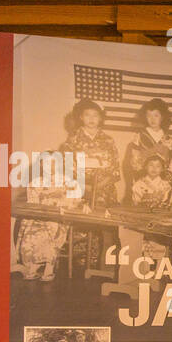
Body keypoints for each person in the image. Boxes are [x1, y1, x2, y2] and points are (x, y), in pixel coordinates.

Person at [61, 99, 122, 272]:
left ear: (101, 118)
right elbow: (67, 167)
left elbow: (115, 170)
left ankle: (104, 267)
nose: (91, 119)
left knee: (106, 230)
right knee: (80, 226)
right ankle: (79, 266)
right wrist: (85, 187)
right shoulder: (72, 140)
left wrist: (100, 186)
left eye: (95, 115)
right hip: (80, 190)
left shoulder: (109, 140)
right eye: (87, 115)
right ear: (80, 117)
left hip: (105, 191)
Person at [122, 97, 172, 196]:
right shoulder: (139, 137)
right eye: (149, 115)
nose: (152, 119)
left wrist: (165, 181)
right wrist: (144, 179)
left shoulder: (169, 140)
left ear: (162, 117)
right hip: (142, 182)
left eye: (156, 115)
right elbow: (131, 162)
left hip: (163, 184)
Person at [130, 155, 172, 262]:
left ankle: (159, 271)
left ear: (162, 169)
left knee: (160, 245)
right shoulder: (138, 184)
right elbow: (136, 203)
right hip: (143, 219)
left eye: (158, 166)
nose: (154, 168)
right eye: (151, 165)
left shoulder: (166, 185)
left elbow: (168, 203)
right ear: (145, 167)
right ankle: (144, 269)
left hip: (160, 219)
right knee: (143, 246)